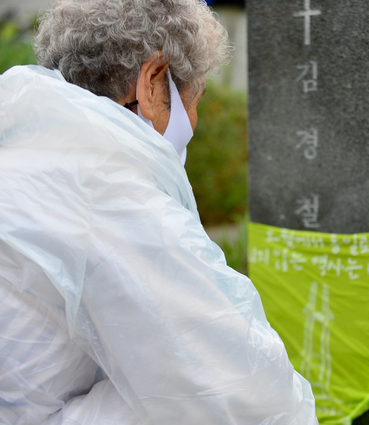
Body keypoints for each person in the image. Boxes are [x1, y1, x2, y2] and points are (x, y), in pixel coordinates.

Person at [0, 0, 317, 424]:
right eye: (195, 97)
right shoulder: (107, 186)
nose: (194, 117)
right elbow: (245, 393)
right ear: (152, 82)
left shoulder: (25, 146)